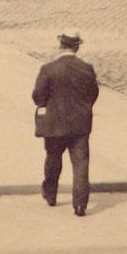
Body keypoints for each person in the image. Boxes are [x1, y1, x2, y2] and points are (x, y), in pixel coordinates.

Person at [31, 29, 100, 217]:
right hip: (80, 124)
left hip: (55, 124)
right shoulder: (87, 68)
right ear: (77, 47)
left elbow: (38, 96)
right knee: (81, 164)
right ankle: (80, 205)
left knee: (53, 158)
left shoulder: (48, 69)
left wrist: (46, 105)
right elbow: (93, 94)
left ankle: (51, 194)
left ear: (60, 45)